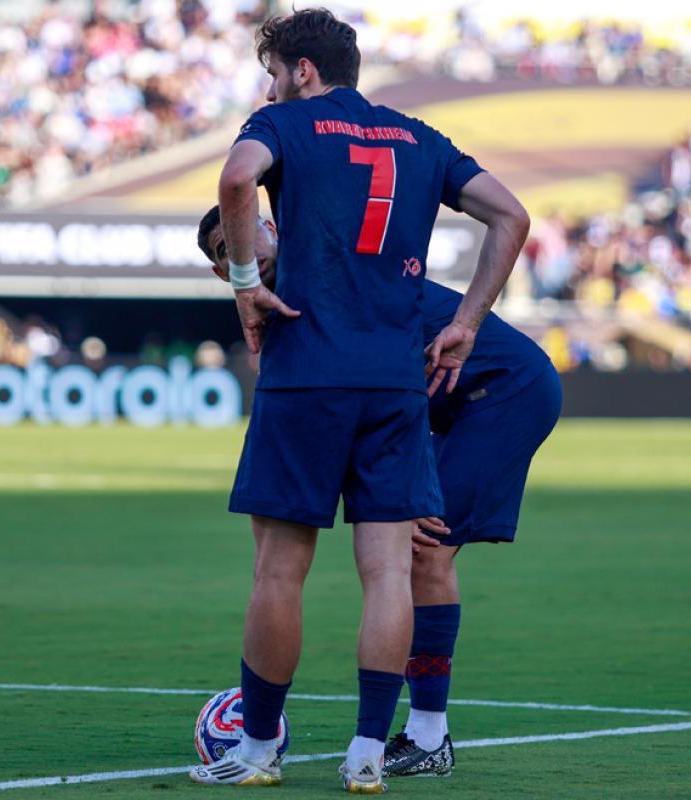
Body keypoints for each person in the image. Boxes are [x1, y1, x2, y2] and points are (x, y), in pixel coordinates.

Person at [191, 9, 530, 793]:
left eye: (273, 73)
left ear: (302, 71)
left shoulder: (283, 124)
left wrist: (243, 284)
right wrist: (467, 321)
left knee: (279, 573)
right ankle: (368, 753)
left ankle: (259, 749)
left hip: (306, 372)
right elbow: (511, 215)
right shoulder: (418, 137)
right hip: (393, 381)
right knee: (386, 575)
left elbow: (237, 180)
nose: (269, 89)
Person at [198, 207, 561, 779]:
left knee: (424, 548)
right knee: (413, 547)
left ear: (275, 227)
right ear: (224, 272)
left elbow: (379, 382)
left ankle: (428, 736)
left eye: (251, 229)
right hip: (452, 400)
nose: (244, 246)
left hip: (504, 391)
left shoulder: (326, 274)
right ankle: (419, 735)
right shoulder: (283, 300)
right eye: (226, 248)